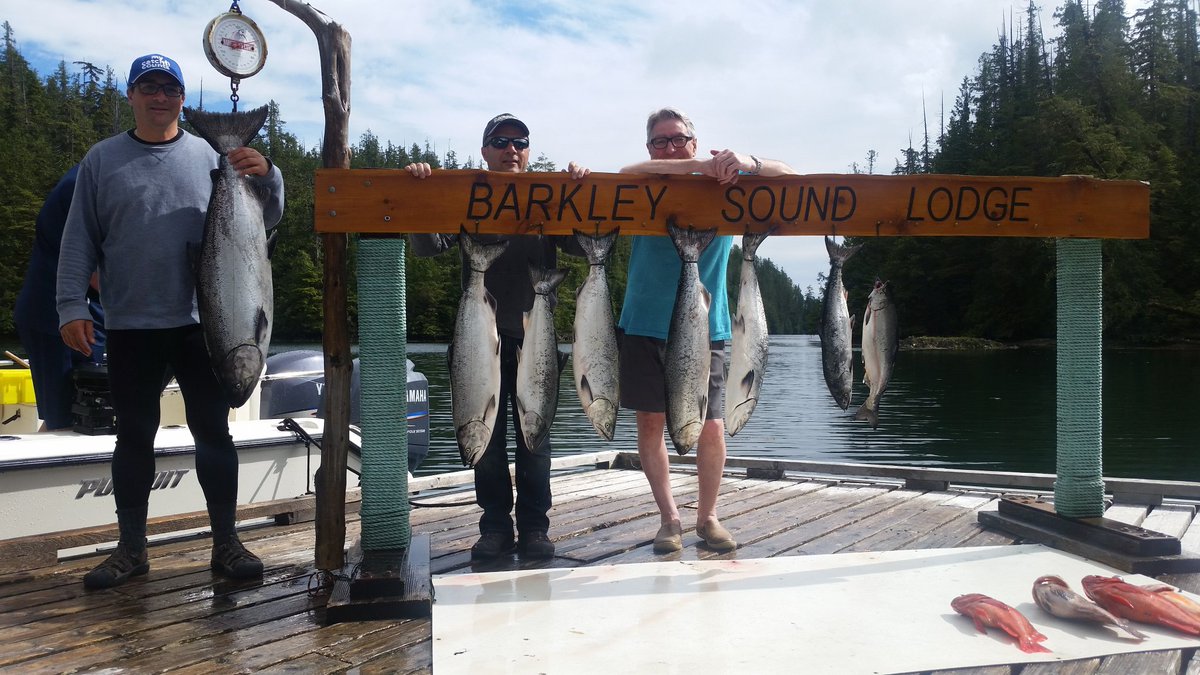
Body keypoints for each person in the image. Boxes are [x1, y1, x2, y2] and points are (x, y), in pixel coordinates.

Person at [57, 53, 285, 589]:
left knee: (213, 432)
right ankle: (131, 550)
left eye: (170, 89)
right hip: (131, 322)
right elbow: (77, 240)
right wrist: (70, 305)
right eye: (149, 87)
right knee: (133, 436)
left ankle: (226, 543)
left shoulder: (213, 153)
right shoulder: (101, 159)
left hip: (207, 322)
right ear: (131, 95)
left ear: (182, 98)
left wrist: (269, 174)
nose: (160, 97)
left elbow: (268, 219)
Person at [405, 113, 588, 561]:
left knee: (535, 438)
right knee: (483, 440)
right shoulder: (468, 200)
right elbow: (428, 245)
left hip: (535, 342)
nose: (512, 149)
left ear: (527, 151)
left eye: (520, 143)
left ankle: (535, 529)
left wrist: (581, 193)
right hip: (477, 342)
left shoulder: (549, 201)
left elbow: (584, 246)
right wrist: (418, 195)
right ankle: (494, 528)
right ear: (484, 151)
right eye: (501, 141)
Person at [618, 106, 798, 553]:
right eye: (660, 141)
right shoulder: (645, 185)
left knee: (712, 426)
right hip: (641, 322)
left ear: (695, 141)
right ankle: (669, 519)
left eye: (679, 139)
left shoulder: (726, 185)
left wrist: (748, 164)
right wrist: (692, 166)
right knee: (651, 423)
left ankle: (708, 516)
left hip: (707, 328)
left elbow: (790, 177)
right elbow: (625, 170)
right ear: (650, 148)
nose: (671, 147)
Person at [14, 165, 106, 431]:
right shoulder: (85, 185)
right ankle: (59, 469)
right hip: (60, 319)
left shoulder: (85, 177)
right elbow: (94, 272)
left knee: (72, 411)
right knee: (75, 411)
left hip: (61, 313)